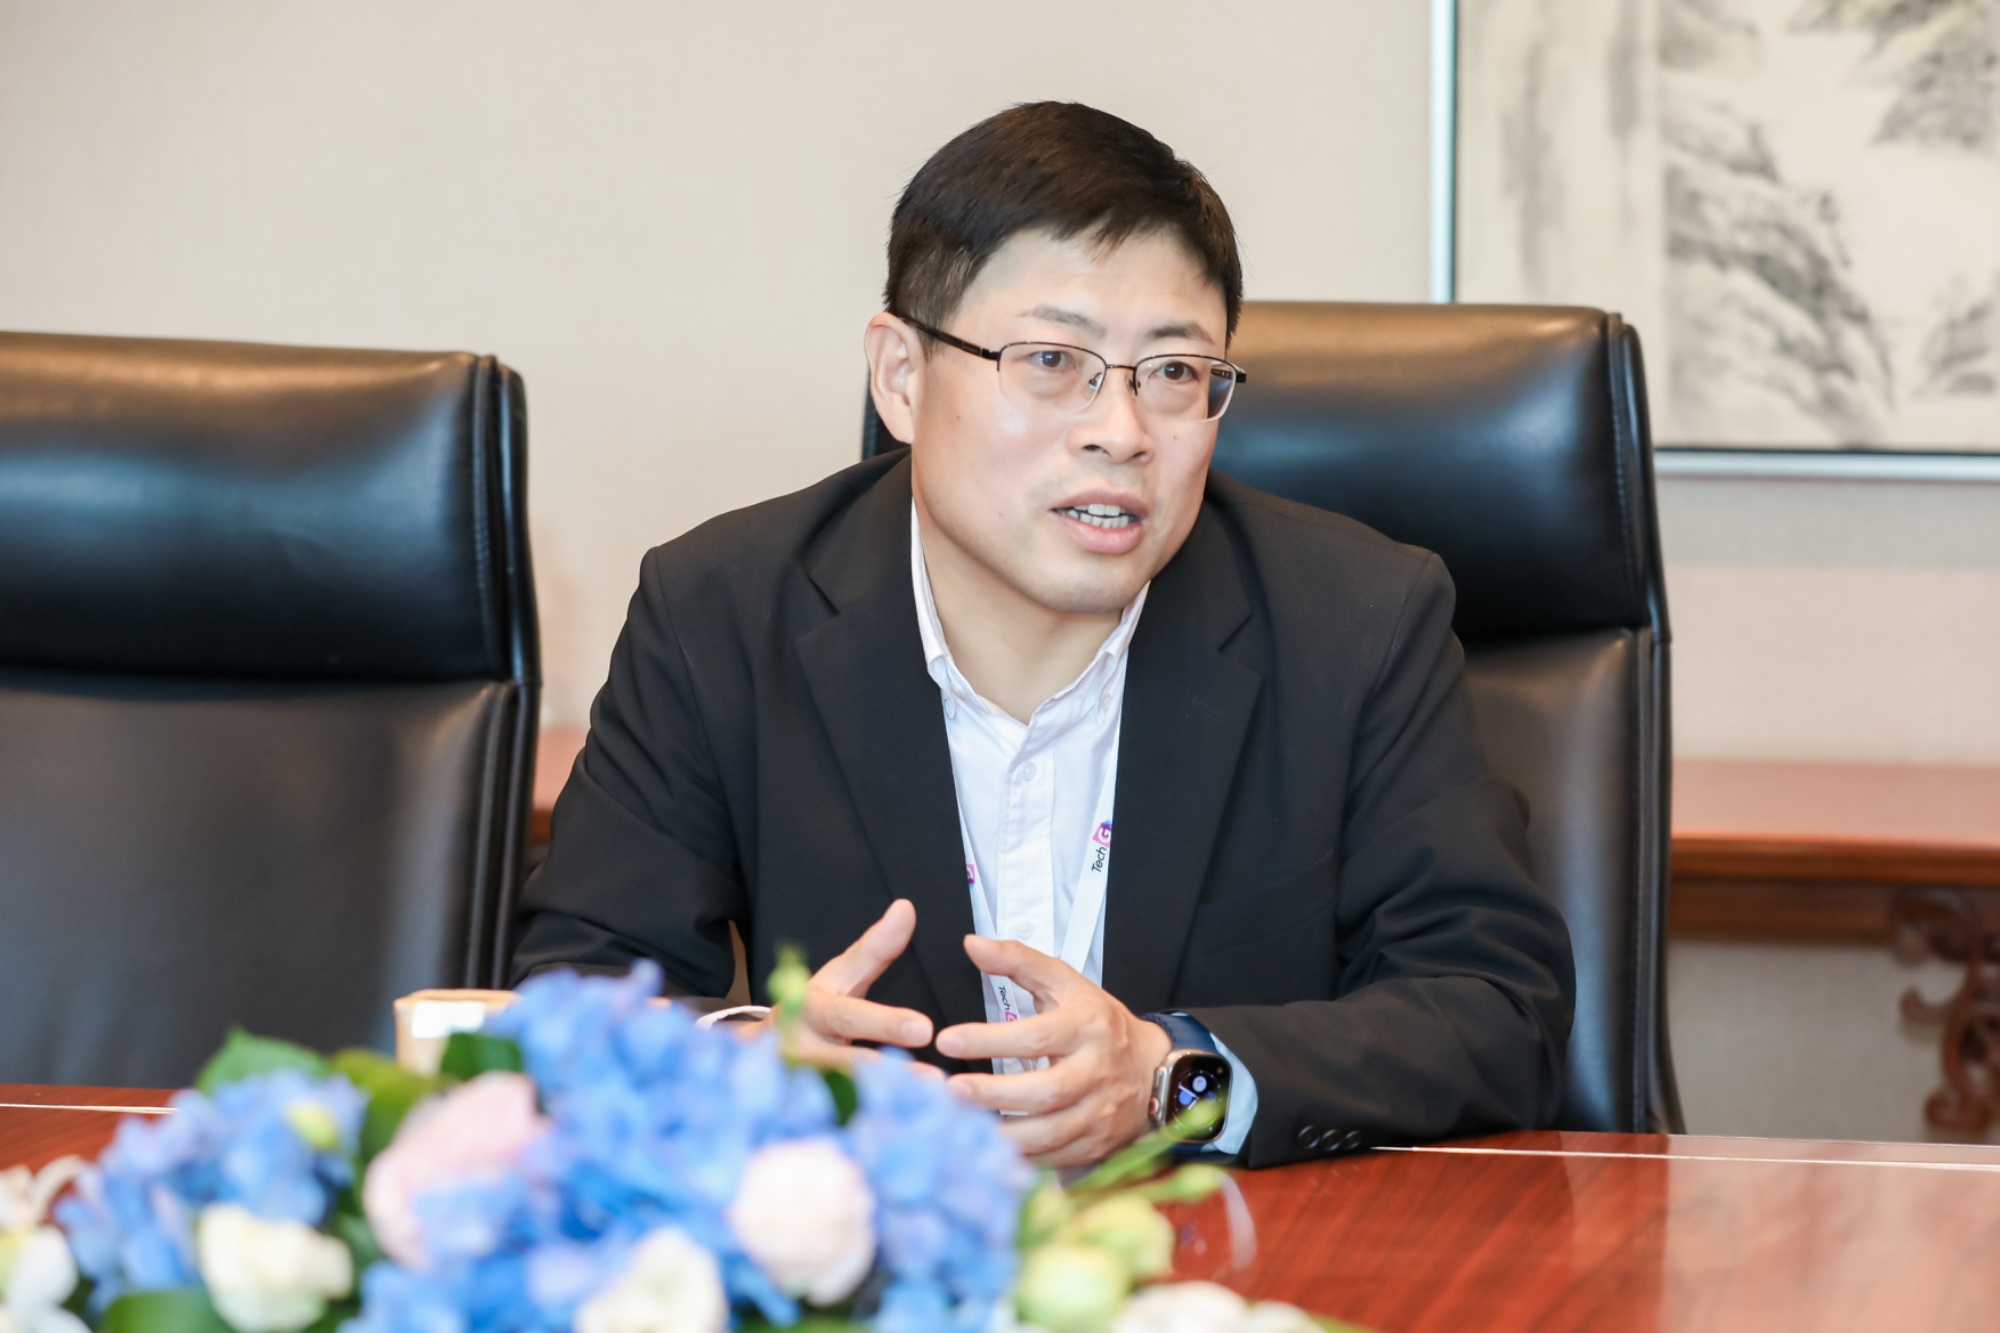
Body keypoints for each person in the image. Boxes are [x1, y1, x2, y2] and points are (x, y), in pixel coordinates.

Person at [513, 101, 1574, 1169]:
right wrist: (749, 1066)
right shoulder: (720, 613)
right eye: (1053, 359)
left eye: (1174, 372)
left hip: (1233, 1252)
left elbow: (1494, 1010)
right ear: (901, 377)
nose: (1120, 431)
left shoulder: (1356, 622)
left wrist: (1174, 1075)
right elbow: (568, 999)